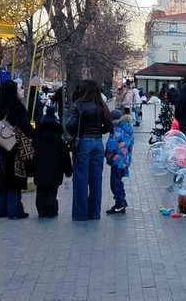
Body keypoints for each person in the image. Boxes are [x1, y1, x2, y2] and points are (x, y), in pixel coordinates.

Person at [67, 80, 113, 221]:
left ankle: (80, 213)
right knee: (96, 179)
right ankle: (94, 213)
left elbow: (70, 125)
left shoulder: (79, 105)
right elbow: (109, 126)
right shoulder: (101, 105)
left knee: (81, 178)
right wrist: (98, 130)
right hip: (98, 143)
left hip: (83, 142)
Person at [0, 80, 34, 219]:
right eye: (19, 89)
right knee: (15, 177)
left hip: (2, 143)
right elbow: (26, 130)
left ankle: (0, 209)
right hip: (15, 147)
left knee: (3, 176)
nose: (21, 91)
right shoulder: (18, 109)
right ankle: (14, 210)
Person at [34, 105, 71, 218]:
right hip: (55, 171)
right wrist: (68, 171)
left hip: (39, 170)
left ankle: (41, 210)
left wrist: (30, 169)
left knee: (40, 191)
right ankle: (51, 210)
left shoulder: (37, 139)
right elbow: (65, 157)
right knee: (52, 191)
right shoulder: (59, 141)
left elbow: (32, 156)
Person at [106, 109, 135, 214]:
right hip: (125, 160)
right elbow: (128, 145)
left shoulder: (117, 130)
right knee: (118, 181)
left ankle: (120, 204)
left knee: (115, 183)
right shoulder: (128, 128)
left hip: (117, 160)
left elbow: (112, 145)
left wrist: (109, 156)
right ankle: (122, 202)